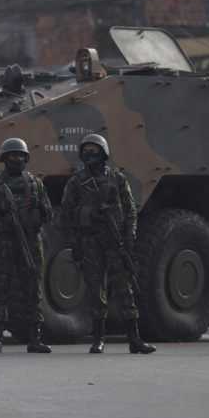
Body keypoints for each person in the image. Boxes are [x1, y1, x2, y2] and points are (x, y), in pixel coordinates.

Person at [61, 134, 156, 355]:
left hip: (115, 242)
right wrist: (79, 234)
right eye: (86, 150)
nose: (89, 154)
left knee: (125, 290)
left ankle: (135, 339)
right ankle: (98, 339)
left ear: (103, 153)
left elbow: (130, 209)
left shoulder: (117, 179)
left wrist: (129, 235)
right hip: (90, 240)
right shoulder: (76, 182)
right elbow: (66, 215)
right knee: (96, 290)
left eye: (94, 150)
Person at [0, 138, 53, 354]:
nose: (16, 159)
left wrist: (38, 211)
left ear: (26, 158)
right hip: (2, 241)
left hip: (29, 241)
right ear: (4, 159)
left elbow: (49, 213)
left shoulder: (35, 183)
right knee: (0, 289)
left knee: (33, 290)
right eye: (11, 155)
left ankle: (35, 338)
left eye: (20, 155)